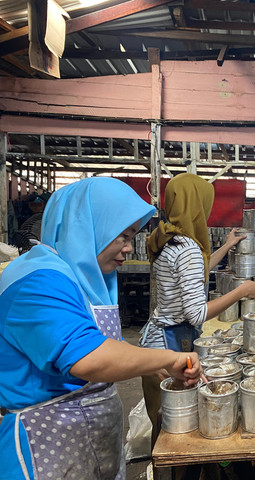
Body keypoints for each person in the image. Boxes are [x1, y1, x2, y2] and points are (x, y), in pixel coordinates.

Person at [0, 177, 202, 480]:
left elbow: (108, 342)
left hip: (86, 444)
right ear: (87, 227)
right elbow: (88, 357)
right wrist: (167, 359)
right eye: (121, 236)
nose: (128, 248)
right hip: (43, 449)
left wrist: (146, 367)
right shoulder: (39, 279)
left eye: (132, 236)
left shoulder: (87, 278)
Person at [140, 173, 255, 441]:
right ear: (196, 205)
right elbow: (197, 313)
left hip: (155, 340)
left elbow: (196, 271)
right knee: (177, 434)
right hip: (171, 346)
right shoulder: (188, 248)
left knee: (163, 426)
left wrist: (226, 246)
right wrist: (241, 291)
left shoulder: (168, 238)